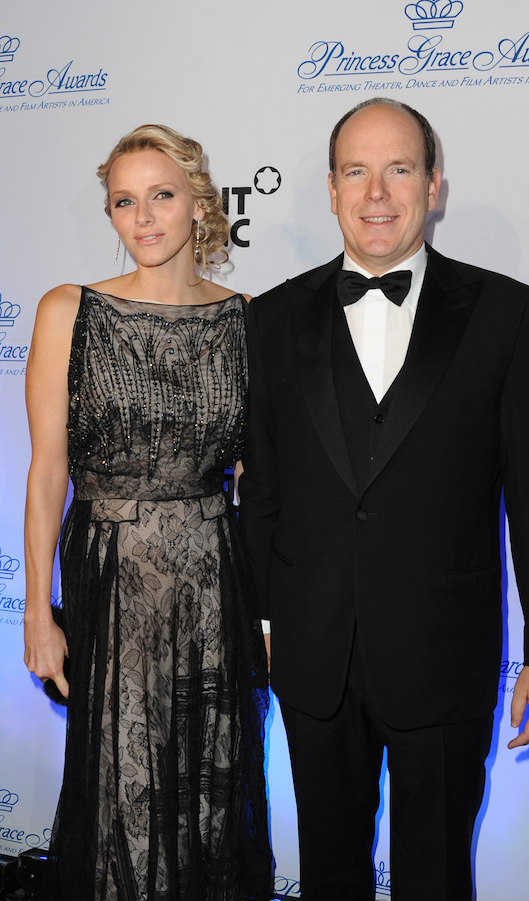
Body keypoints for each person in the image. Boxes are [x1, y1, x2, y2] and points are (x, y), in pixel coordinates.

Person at [239, 98, 529, 901]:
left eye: (399, 169)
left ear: (434, 187)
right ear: (330, 190)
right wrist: (261, 622)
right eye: (357, 171)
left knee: (434, 878)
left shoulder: (507, 313)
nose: (377, 192)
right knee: (327, 873)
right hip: (312, 657)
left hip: (445, 655)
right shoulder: (273, 318)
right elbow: (263, 490)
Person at [23, 124, 273, 901]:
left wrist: (274, 614)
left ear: (199, 205)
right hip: (112, 576)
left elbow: (263, 482)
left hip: (213, 578)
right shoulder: (71, 310)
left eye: (161, 195)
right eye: (123, 201)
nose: (143, 217)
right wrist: (36, 613)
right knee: (121, 788)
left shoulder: (248, 319)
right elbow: (46, 475)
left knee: (212, 783)